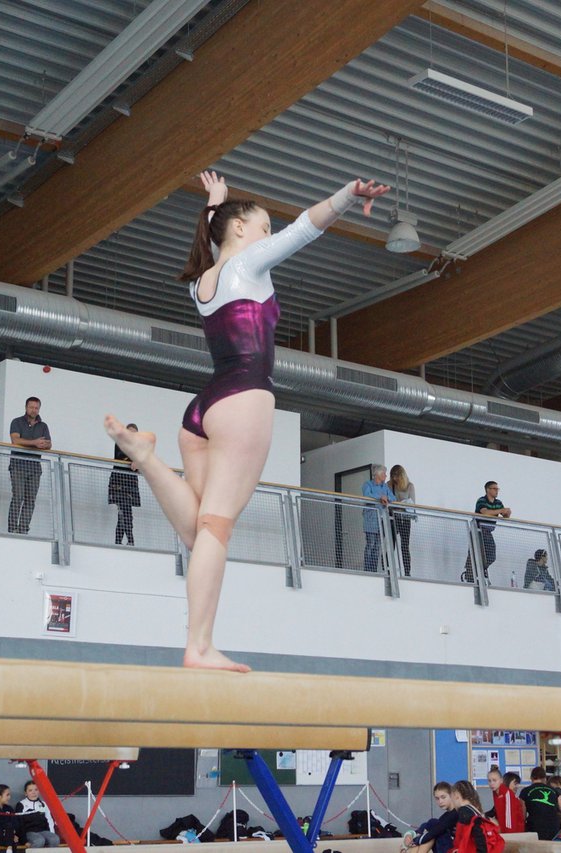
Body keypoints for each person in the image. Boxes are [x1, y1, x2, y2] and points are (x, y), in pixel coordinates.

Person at [105, 170, 390, 672]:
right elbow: (306, 227)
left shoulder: (202, 283)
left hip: (205, 408)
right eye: (263, 226)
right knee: (215, 528)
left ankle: (147, 459)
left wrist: (215, 203)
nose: (268, 235)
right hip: (244, 400)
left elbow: (218, 239)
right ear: (239, 230)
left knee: (200, 533)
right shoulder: (248, 264)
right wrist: (347, 195)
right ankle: (198, 647)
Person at [8, 396, 51, 535]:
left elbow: (49, 444)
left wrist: (41, 444)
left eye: (36, 408)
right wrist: (35, 443)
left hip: (35, 468)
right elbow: (15, 440)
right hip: (18, 465)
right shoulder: (17, 422)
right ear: (26, 407)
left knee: (30, 500)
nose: (34, 410)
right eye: (31, 407)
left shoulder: (43, 426)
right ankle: (12, 529)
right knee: (18, 497)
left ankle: (23, 530)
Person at [464, 482, 510, 583]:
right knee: (475, 552)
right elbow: (485, 512)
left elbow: (505, 516)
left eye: (497, 489)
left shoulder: (498, 503)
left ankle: (480, 570)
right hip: (478, 530)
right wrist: (500, 510)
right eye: (494, 489)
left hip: (488, 531)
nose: (497, 491)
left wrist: (507, 513)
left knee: (491, 555)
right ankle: (470, 574)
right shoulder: (482, 500)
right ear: (488, 490)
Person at [107, 424, 141, 546]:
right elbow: (121, 456)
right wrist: (135, 461)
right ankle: (130, 541)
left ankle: (119, 542)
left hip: (130, 484)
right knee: (125, 513)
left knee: (124, 513)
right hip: (119, 483)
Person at [403, 782, 457, 853]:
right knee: (431, 825)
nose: (440, 801)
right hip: (445, 847)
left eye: (443, 797)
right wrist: (410, 834)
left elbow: (433, 831)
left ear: (451, 795)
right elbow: (426, 827)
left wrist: (415, 840)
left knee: (433, 823)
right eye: (437, 798)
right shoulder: (445, 816)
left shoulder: (456, 813)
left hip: (454, 849)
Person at [520, 767, 561, 841]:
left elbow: (522, 815)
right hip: (553, 827)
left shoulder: (525, 791)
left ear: (531, 778)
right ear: (545, 778)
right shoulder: (553, 791)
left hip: (534, 827)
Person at [362, 463, 395, 572]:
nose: (386, 476)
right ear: (378, 474)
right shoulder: (367, 484)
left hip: (382, 520)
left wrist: (386, 498)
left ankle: (373, 570)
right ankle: (367, 570)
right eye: (384, 474)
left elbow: (393, 498)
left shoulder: (385, 486)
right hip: (371, 519)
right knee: (371, 544)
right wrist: (380, 497)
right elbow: (367, 495)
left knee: (377, 546)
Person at [388, 464, 416, 576]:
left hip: (405, 518)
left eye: (397, 476)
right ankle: (389, 570)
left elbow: (412, 504)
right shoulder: (390, 485)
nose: (395, 479)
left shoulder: (410, 486)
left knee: (405, 545)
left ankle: (407, 572)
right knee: (391, 544)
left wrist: (398, 504)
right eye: (393, 476)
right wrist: (400, 504)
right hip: (393, 517)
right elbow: (388, 501)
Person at [16, 781, 62, 848]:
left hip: (43, 831)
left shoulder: (44, 804)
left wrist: (52, 834)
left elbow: (49, 820)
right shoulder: (21, 804)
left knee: (55, 839)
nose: (34, 792)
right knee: (39, 841)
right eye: (30, 790)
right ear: (26, 793)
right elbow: (19, 824)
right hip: (29, 832)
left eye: (36, 790)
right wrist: (24, 841)